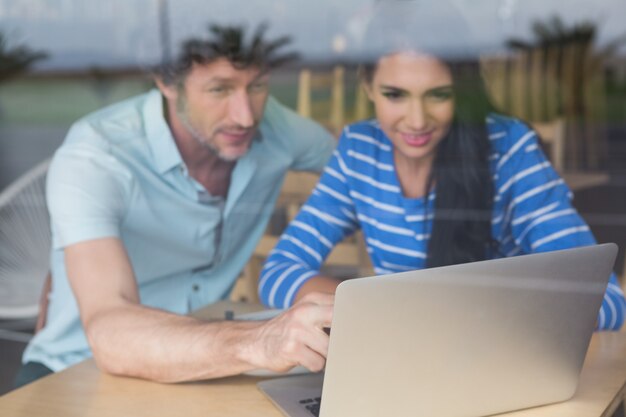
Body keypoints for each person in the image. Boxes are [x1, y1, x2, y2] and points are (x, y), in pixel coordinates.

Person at [258, 2, 626, 330]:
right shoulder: (359, 151)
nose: (417, 121)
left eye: (439, 94)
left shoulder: (510, 152)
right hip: (401, 359)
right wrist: (376, 306)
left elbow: (608, 300)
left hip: (496, 356)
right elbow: (277, 273)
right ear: (368, 87)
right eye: (395, 95)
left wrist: (487, 315)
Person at [16, 23, 337, 387]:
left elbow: (363, 164)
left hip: (210, 366)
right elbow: (110, 329)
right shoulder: (98, 156)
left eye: (258, 85)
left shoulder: (277, 129)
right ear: (166, 82)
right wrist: (264, 339)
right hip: (75, 372)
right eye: (220, 89)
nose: (245, 116)